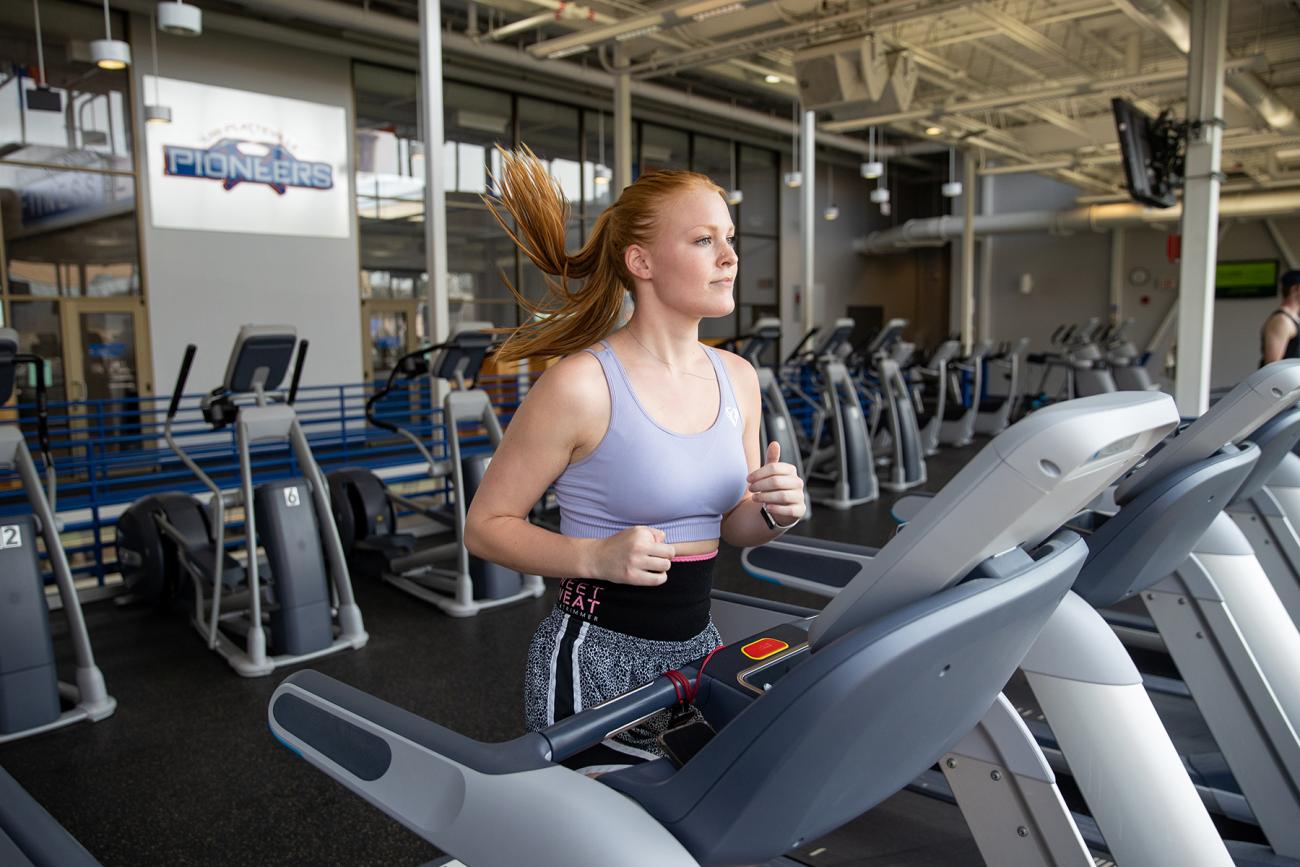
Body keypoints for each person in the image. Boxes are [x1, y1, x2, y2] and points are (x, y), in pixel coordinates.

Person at [464, 147, 806, 769]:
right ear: (640, 261)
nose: (730, 256)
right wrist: (591, 556)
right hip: (595, 656)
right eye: (704, 240)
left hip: (696, 649)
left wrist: (774, 511)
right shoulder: (582, 385)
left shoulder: (739, 377)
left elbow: (731, 525)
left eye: (728, 238)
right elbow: (484, 527)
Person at [1260, 269, 1300, 366]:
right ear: (1294, 289)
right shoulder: (1282, 320)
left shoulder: (1295, 319)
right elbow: (1272, 366)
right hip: (1281, 381)